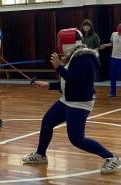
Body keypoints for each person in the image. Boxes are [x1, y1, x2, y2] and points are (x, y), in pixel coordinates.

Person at [22, 28, 121, 174]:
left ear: (67, 42)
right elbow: (68, 82)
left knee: (77, 140)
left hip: (79, 103)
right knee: (48, 121)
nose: (59, 45)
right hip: (67, 100)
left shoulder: (84, 58)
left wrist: (58, 67)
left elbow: (76, 81)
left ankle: (112, 157)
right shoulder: (75, 56)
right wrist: (48, 85)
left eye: (60, 42)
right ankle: (40, 154)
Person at [100, 21, 121, 97]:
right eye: (119, 26)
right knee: (112, 76)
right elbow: (112, 44)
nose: (119, 28)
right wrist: (105, 45)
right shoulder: (114, 34)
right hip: (113, 59)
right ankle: (113, 92)